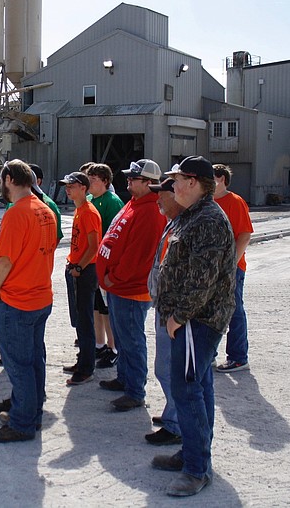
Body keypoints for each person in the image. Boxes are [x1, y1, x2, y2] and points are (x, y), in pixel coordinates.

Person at [152, 156, 236, 497]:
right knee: (197, 387)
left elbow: (202, 280)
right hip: (191, 321)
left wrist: (177, 316)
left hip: (195, 322)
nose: (171, 186)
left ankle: (197, 469)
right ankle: (193, 452)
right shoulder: (192, 216)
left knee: (186, 389)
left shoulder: (208, 219)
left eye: (176, 180)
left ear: (192, 181)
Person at [0, 159, 58, 443]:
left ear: (9, 179)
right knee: (34, 360)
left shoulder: (17, 213)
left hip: (17, 299)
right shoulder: (46, 210)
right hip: (40, 296)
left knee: (19, 365)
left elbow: (4, 260)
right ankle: (30, 412)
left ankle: (23, 423)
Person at [95, 159, 166, 412]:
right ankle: (125, 378)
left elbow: (140, 254)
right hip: (119, 287)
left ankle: (135, 390)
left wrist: (116, 276)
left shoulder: (150, 210)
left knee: (132, 340)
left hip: (130, 288)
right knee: (124, 337)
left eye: (133, 179)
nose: (128, 181)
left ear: (148, 183)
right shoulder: (135, 203)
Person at [145, 176, 185, 446]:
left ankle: (177, 423)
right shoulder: (173, 223)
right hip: (164, 307)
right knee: (164, 368)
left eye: (162, 194)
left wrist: (178, 315)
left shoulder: (188, 225)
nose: (158, 198)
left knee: (171, 369)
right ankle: (174, 413)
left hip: (174, 313)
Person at [58, 172, 101, 386]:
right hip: (77, 268)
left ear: (83, 187)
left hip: (84, 271)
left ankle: (86, 367)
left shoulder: (89, 212)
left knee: (85, 320)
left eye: (71, 186)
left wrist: (79, 267)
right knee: (80, 319)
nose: (67, 189)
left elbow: (94, 245)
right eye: (66, 186)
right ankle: (83, 360)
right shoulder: (79, 210)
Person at [213, 164, 254, 372]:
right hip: (211, 268)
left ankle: (238, 357)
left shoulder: (234, 202)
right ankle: (210, 354)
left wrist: (231, 265)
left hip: (231, 268)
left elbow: (245, 235)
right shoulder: (208, 202)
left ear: (220, 178)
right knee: (211, 310)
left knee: (234, 310)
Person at [86, 163, 124, 369]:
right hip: (93, 263)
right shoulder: (91, 200)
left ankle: (114, 348)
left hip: (105, 263)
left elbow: (115, 237)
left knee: (107, 309)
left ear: (105, 181)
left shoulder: (112, 202)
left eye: (94, 179)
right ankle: (99, 343)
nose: (89, 182)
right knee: (96, 307)